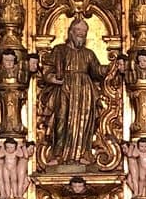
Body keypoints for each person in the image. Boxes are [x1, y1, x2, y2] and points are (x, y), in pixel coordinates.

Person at [42, 19, 109, 164]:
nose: (81, 34)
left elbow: (97, 71)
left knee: (85, 122)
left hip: (85, 91)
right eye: (78, 31)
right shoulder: (59, 50)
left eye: (84, 32)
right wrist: (53, 78)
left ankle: (83, 152)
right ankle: (58, 153)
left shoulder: (89, 53)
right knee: (61, 120)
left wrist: (112, 67)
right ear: (71, 32)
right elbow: (47, 69)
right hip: (64, 89)